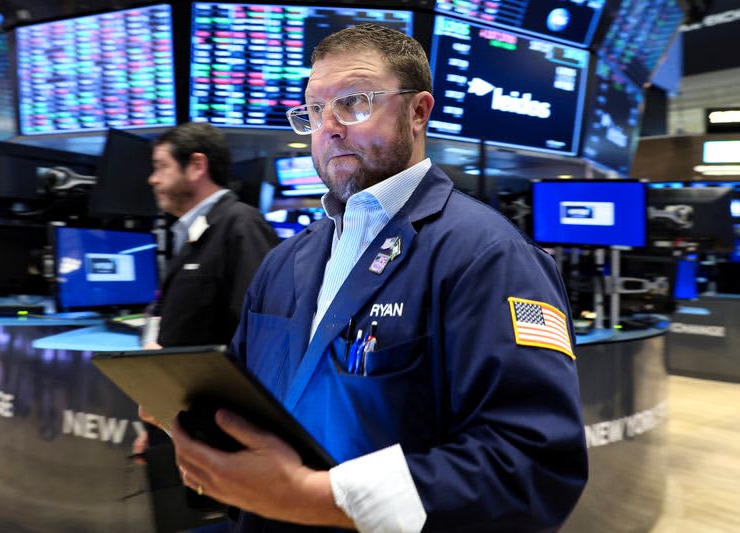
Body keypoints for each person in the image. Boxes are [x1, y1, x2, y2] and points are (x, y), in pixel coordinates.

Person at [164, 24, 588, 532]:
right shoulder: (284, 261)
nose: (328, 128)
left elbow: (532, 466)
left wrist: (314, 498)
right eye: (314, 110)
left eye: (353, 103)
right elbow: (247, 404)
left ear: (418, 111)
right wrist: (198, 432)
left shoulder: (490, 257)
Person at [134, 122, 279, 530]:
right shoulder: (192, 235)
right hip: (179, 433)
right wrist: (156, 428)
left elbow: (262, 341)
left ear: (196, 166)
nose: (152, 178)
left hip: (220, 445)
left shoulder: (240, 226)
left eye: (161, 166)